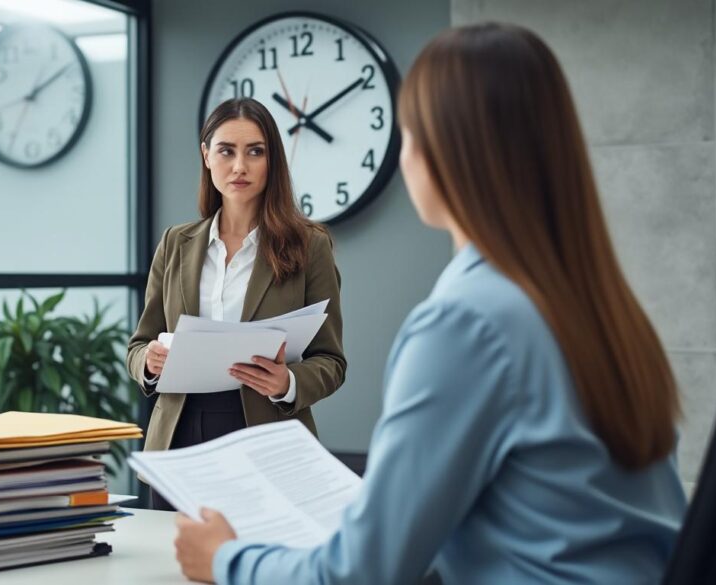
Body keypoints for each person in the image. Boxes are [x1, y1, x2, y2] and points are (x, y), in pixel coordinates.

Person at [172, 23, 687, 584]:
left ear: (449, 152)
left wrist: (225, 558)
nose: (404, 153)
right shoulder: (597, 305)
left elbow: (361, 572)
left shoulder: (467, 324)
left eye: (409, 132)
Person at [126, 98, 347, 511]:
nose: (240, 166)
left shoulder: (310, 245)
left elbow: (331, 362)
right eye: (226, 151)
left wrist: (287, 383)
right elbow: (138, 345)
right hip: (180, 437)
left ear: (272, 160)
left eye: (255, 152)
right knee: (172, 553)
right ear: (206, 155)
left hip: (266, 434)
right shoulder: (175, 243)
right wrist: (149, 363)